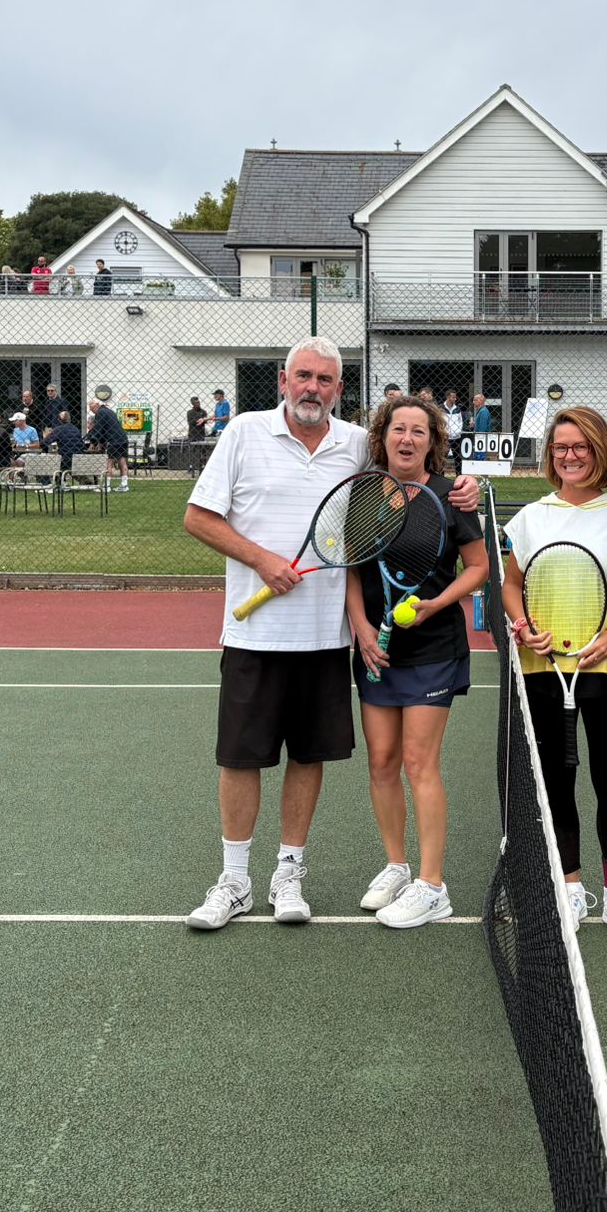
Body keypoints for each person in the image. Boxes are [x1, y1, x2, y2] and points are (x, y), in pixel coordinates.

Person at [180, 338, 478, 930]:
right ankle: (234, 881)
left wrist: (469, 487)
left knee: (308, 756)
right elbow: (197, 518)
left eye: (324, 379)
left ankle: (288, 874)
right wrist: (263, 561)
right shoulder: (243, 432)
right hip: (254, 635)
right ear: (284, 381)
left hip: (324, 640)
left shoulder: (357, 447)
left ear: (339, 389)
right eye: (303, 376)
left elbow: (417, 479)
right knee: (240, 758)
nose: (312, 388)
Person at [501, 406, 607, 938]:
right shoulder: (531, 517)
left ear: (599, 450)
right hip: (541, 670)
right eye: (560, 447)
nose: (570, 456)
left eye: (580, 445)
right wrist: (522, 626)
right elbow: (510, 584)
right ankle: (570, 889)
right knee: (556, 783)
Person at [346, 393, 487, 929]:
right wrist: (361, 628)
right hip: (376, 649)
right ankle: (396, 866)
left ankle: (432, 885)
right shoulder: (363, 492)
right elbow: (352, 567)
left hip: (433, 650)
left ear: (433, 442)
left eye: (418, 432)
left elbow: (477, 567)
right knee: (381, 760)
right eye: (398, 429)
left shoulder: (452, 495)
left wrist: (435, 604)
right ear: (382, 436)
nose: (406, 439)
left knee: (418, 761)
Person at [85, 386, 131, 491]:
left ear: (97, 405)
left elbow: (98, 429)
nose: (92, 411)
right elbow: (105, 429)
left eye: (92, 408)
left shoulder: (100, 413)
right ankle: (124, 485)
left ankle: (107, 486)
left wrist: (93, 443)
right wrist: (100, 443)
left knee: (109, 462)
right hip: (122, 439)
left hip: (113, 440)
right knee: (122, 461)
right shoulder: (109, 411)